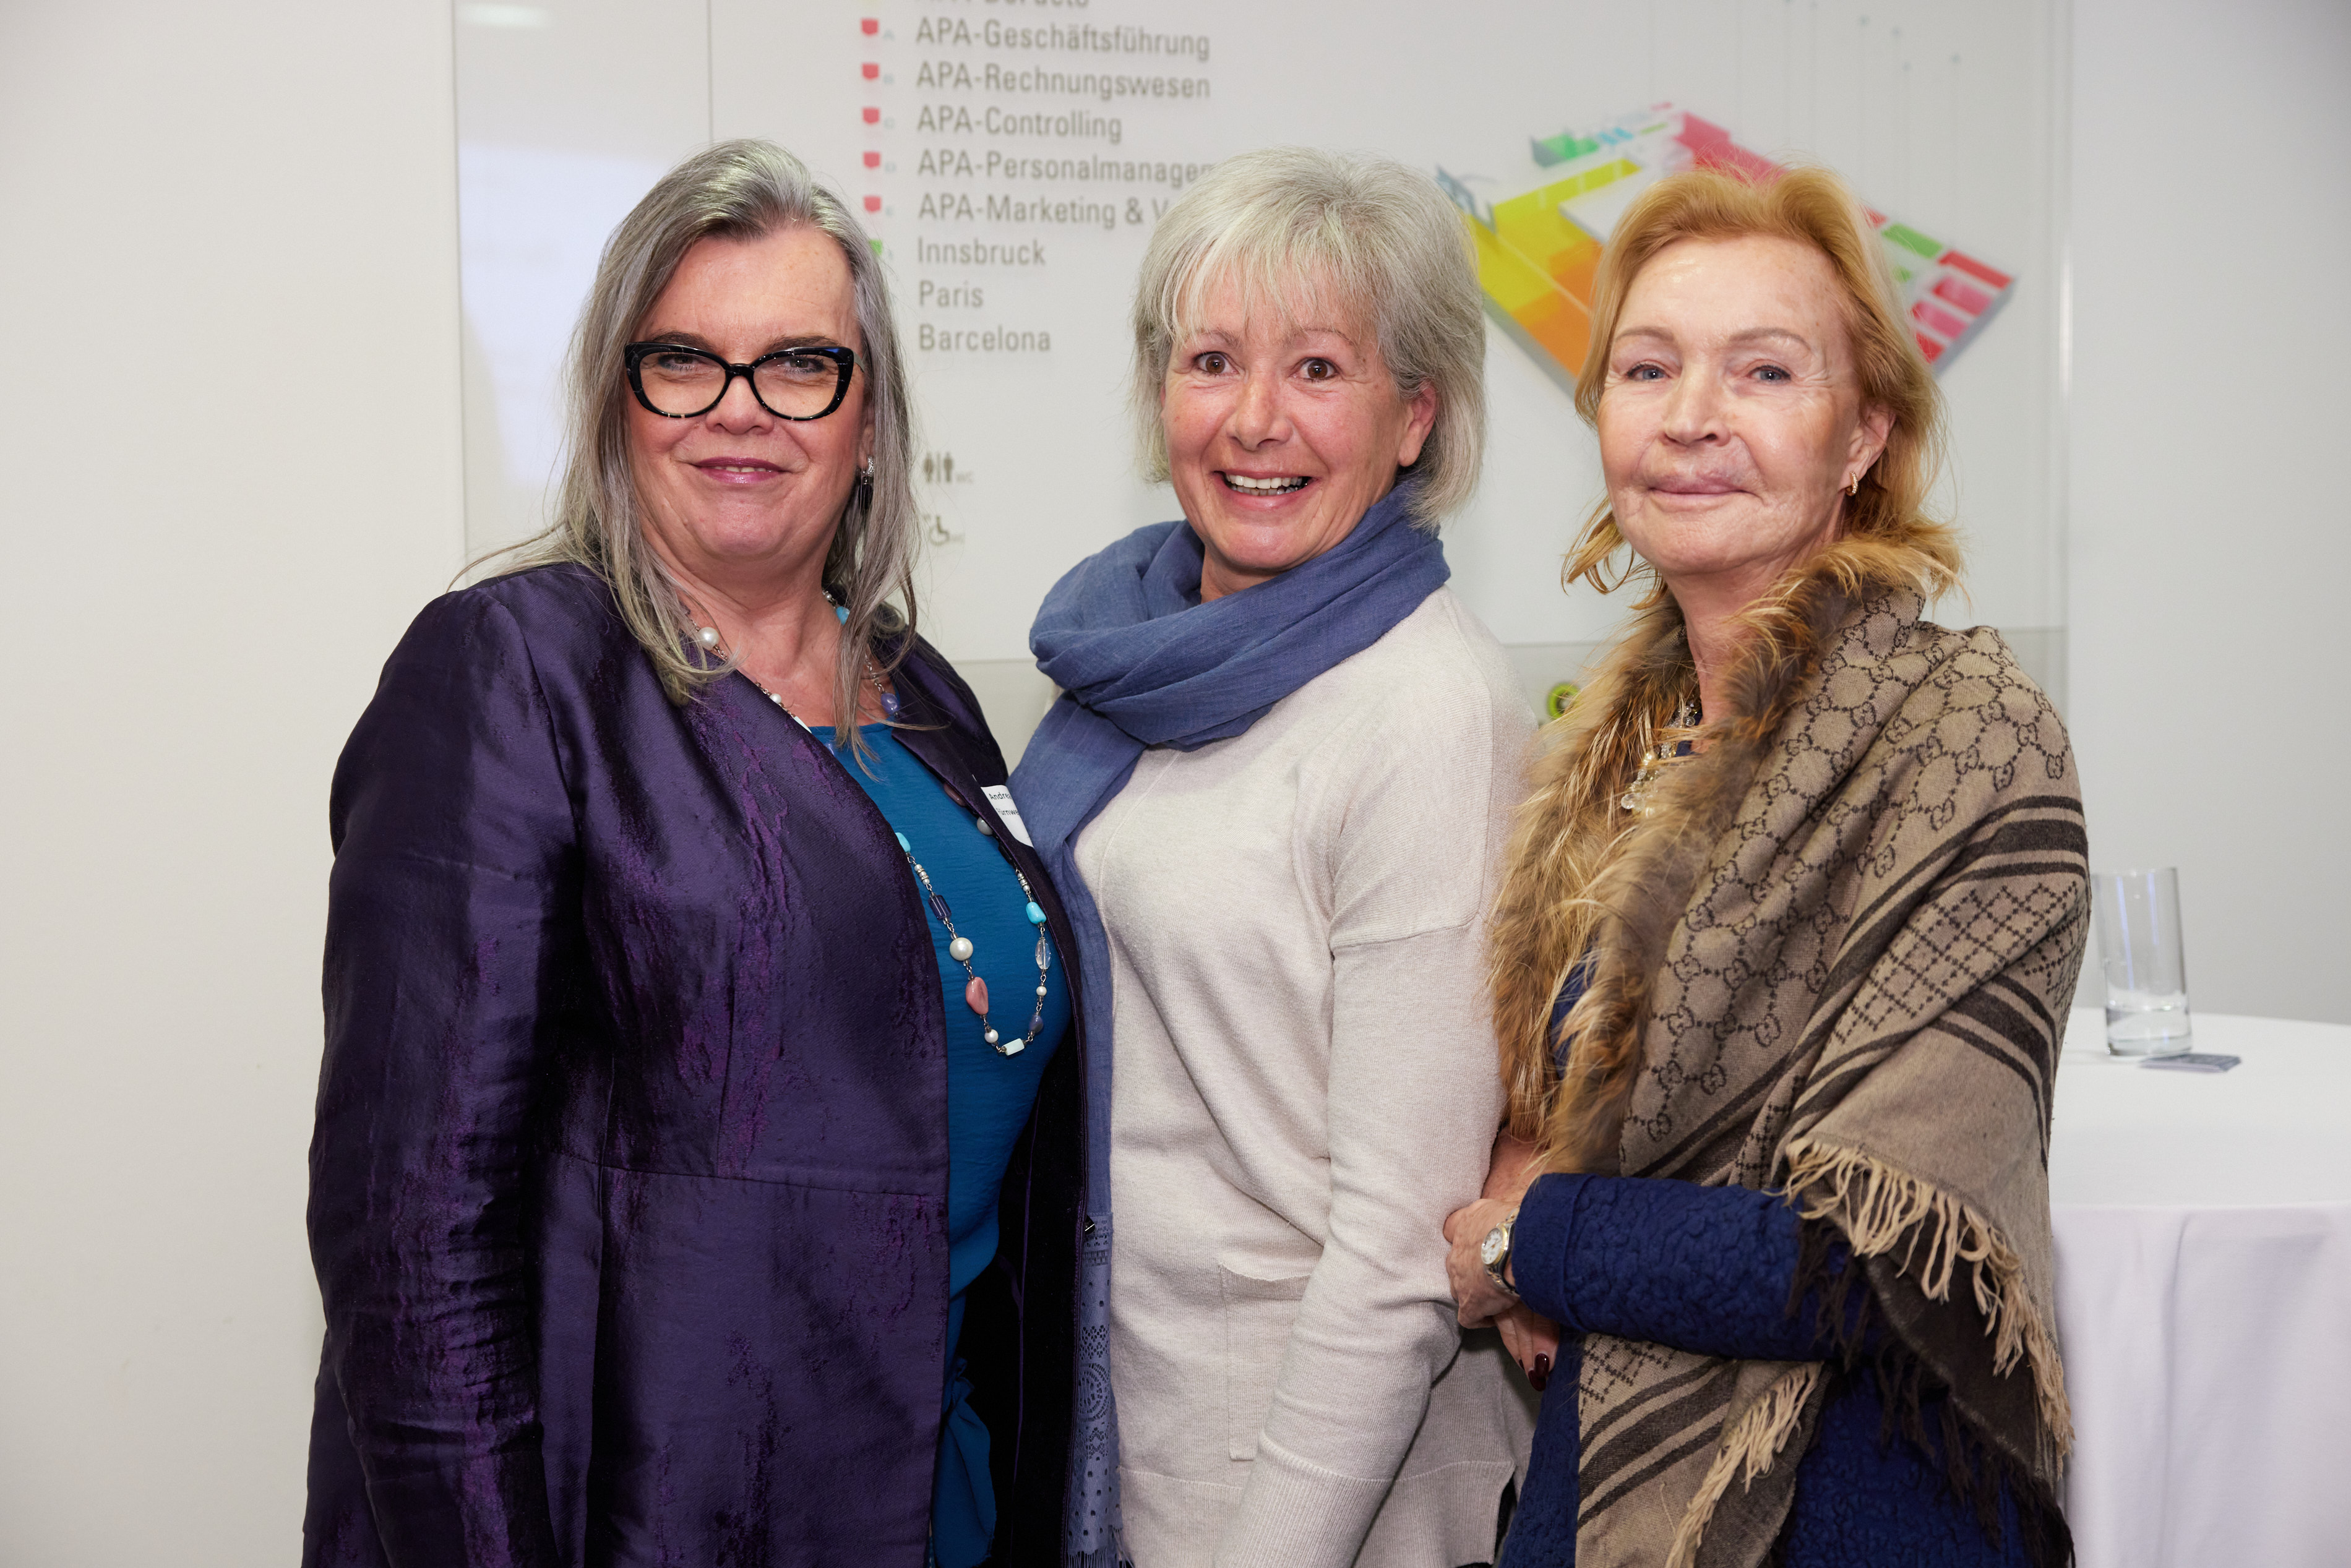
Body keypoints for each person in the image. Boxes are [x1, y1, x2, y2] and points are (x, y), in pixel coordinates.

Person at [303, 140, 1085, 1568]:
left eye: (800, 364)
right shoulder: (512, 674)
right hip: (660, 1505)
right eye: (683, 361)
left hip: (938, 1489)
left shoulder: (925, 694)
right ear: (618, 402)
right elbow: (411, 1242)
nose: (740, 407)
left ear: (869, 419)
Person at [1442, 164, 2086, 1568]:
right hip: (1592, 1489)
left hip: (1855, 1508)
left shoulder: (1968, 738)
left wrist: (1525, 1245)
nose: (1690, 416)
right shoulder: (1607, 759)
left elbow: (1866, 1257)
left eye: (1764, 371)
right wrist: (1532, 1153)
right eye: (1647, 368)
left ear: (1864, 433)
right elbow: (1571, 1115)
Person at [1010, 148, 1538, 1568]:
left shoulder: (1427, 713)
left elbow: (1399, 1247)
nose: (1254, 418)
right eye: (1211, 360)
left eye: (1317, 367)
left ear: (1414, 414)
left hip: (1298, 1480)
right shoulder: (1134, 654)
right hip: (1120, 1414)